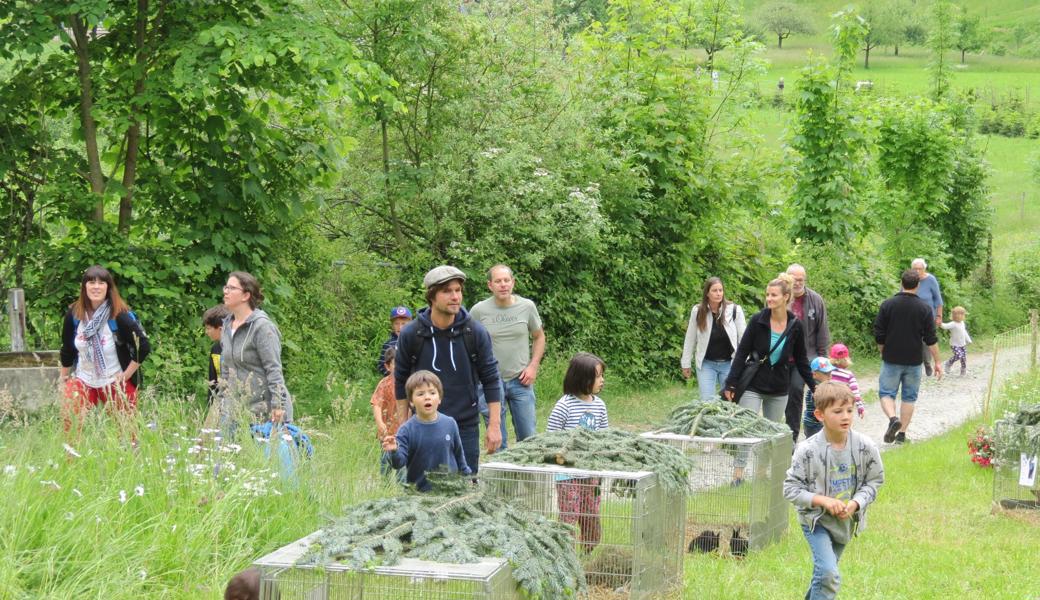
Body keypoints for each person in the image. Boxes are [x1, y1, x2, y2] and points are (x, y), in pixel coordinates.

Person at [394, 265, 503, 473]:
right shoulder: (411, 334)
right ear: (432, 297)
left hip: (465, 424)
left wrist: (494, 425)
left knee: (465, 484)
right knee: (422, 488)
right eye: (447, 291)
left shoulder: (475, 332)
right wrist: (403, 424)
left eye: (458, 290)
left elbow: (491, 379)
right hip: (422, 424)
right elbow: (400, 381)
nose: (455, 296)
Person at [784, 381, 885, 600]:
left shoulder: (865, 447)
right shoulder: (807, 450)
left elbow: (875, 480)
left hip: (845, 522)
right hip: (816, 522)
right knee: (829, 574)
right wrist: (823, 501)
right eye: (837, 411)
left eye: (849, 410)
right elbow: (790, 489)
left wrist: (856, 503)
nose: (846, 416)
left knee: (824, 576)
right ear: (820, 415)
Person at [59, 265, 150, 434]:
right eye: (91, 282)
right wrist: (63, 380)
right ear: (84, 286)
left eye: (101, 283)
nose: (96, 287)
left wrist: (126, 375)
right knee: (70, 424)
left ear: (108, 287)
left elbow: (143, 345)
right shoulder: (74, 314)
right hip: (83, 379)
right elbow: (67, 349)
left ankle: (129, 459)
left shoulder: (119, 315)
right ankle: (72, 459)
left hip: (114, 379)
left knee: (128, 434)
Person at [470, 264, 546, 448]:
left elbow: (539, 336)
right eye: (498, 281)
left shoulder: (527, 306)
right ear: (490, 285)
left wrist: (533, 366)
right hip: (490, 383)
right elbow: (468, 343)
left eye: (506, 280)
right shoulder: (478, 311)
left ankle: (527, 474)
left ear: (513, 282)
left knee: (528, 437)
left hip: (521, 379)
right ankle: (501, 474)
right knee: (498, 440)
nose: (503, 285)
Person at [724, 274, 815, 425]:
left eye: (774, 295)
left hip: (778, 388)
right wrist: (731, 383)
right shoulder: (757, 320)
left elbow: (801, 360)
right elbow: (742, 353)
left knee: (770, 435)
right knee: (747, 428)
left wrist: (814, 386)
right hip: (753, 384)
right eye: (767, 294)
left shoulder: (795, 325)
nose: (769, 299)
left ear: (786, 297)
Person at [547, 353, 609, 553]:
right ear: (583, 379)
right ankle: (567, 553)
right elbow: (551, 438)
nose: (602, 381)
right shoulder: (564, 406)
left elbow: (605, 437)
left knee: (591, 514)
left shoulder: (599, 405)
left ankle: (588, 552)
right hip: (568, 475)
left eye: (601, 376)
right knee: (569, 515)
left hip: (591, 474)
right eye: (598, 376)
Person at [874, 269, 942, 444]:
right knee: (909, 397)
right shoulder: (925, 308)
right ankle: (902, 435)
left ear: (901, 283)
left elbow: (879, 334)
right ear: (918, 285)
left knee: (886, 393)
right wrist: (938, 361)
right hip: (913, 360)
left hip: (891, 358)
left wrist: (883, 351)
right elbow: (930, 339)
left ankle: (892, 419)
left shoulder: (888, 305)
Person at [218, 271, 293, 428]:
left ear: (246, 295)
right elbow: (226, 369)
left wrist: (278, 405)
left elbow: (274, 369)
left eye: (231, 288)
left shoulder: (263, 328)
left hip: (263, 411)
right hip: (233, 411)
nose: (226, 291)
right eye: (226, 287)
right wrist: (222, 400)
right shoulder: (226, 325)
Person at [383, 370, 471, 492]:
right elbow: (398, 463)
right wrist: (394, 451)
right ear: (411, 402)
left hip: (450, 492)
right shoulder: (406, 430)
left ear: (439, 398)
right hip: (419, 495)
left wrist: (467, 477)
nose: (427, 397)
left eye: (432, 393)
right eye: (420, 394)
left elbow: (459, 455)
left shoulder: (450, 424)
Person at [785, 264, 831, 444]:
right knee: (780, 395)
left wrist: (822, 358)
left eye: (800, 280)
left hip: (805, 358)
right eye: (794, 279)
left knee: (796, 390)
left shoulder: (815, 300)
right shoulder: (781, 296)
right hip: (781, 357)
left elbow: (822, 330)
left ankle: (794, 437)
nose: (797, 283)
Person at [681, 277, 747, 401]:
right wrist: (686, 363)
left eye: (720, 290)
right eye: (714, 290)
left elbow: (744, 339)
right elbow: (690, 338)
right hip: (706, 364)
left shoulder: (734, 310)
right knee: (707, 402)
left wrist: (746, 362)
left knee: (729, 402)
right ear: (707, 293)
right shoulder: (698, 311)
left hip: (729, 364)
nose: (718, 293)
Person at [371, 346, 402, 476]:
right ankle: (385, 488)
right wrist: (380, 424)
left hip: (404, 433)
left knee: (403, 465)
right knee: (386, 463)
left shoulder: (410, 383)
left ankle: (403, 489)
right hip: (387, 431)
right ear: (388, 366)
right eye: (396, 363)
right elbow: (376, 404)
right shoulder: (384, 384)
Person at [911, 258, 944, 376]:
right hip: (912, 316)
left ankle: (927, 363)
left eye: (920, 269)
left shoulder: (931, 280)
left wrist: (939, 316)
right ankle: (916, 366)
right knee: (914, 341)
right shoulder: (910, 280)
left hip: (928, 316)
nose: (918, 271)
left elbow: (938, 299)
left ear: (924, 269)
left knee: (927, 342)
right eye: (915, 269)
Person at [827, 343, 865, 419]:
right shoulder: (849, 375)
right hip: (843, 406)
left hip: (829, 405)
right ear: (847, 359)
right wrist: (860, 407)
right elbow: (855, 393)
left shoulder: (827, 372)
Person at [801, 357, 836, 440]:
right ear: (814, 374)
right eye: (826, 374)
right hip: (814, 425)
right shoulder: (816, 389)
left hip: (817, 423)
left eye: (830, 373)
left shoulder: (822, 386)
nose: (830, 376)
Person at [203, 304, 231, 406]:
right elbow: (212, 382)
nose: (206, 332)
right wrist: (210, 406)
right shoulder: (215, 349)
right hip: (219, 401)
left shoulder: (236, 349)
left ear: (220, 329)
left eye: (209, 328)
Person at [378, 306, 412, 375]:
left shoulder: (416, 341)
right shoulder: (388, 344)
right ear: (392, 325)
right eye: (396, 323)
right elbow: (381, 366)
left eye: (403, 323)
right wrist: (391, 375)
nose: (400, 327)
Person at [941, 306, 972, 376]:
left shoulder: (962, 323)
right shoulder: (953, 324)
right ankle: (948, 363)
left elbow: (964, 332)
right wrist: (939, 323)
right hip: (954, 344)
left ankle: (963, 370)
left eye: (963, 314)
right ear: (957, 315)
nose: (963, 316)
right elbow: (945, 326)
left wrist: (968, 340)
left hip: (962, 344)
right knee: (959, 355)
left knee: (963, 358)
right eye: (962, 314)